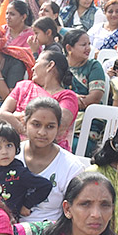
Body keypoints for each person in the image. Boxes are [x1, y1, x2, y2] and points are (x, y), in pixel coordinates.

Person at [16, 96, 87, 225]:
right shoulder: (10, 156)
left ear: (58, 128)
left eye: (50, 127)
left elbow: (75, 212)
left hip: (48, 234)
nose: (42, 132)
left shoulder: (71, 167)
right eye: (36, 124)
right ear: (24, 123)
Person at [0, 46, 79, 150]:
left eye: (36, 62)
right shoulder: (24, 86)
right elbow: (2, 115)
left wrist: (17, 116)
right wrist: (27, 131)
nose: (32, 68)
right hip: (13, 147)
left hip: (49, 151)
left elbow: (60, 125)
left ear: (50, 65)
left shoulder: (67, 96)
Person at [0, 121, 53, 221]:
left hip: (7, 220)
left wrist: (26, 205)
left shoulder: (19, 173)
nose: (4, 152)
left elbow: (45, 185)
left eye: (9, 145)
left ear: (16, 147)